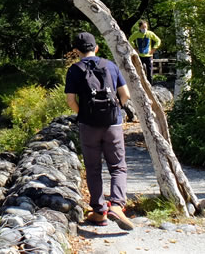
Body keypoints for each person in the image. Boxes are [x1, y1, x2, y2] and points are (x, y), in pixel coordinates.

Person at [65, 31, 135, 230]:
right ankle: (118, 205)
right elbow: (126, 94)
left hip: (89, 126)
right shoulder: (110, 66)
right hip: (113, 123)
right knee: (118, 166)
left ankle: (99, 212)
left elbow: (70, 100)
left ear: (76, 51)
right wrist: (116, 112)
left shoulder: (74, 70)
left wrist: (84, 115)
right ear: (96, 48)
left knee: (93, 168)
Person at [129, 19, 161, 84]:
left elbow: (158, 40)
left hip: (148, 56)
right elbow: (130, 40)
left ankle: (150, 85)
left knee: (150, 73)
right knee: (139, 71)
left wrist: (154, 49)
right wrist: (135, 48)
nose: (144, 28)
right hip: (140, 55)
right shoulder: (136, 34)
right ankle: (140, 85)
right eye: (143, 27)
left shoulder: (150, 33)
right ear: (139, 27)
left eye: (145, 27)